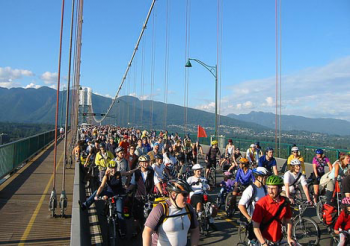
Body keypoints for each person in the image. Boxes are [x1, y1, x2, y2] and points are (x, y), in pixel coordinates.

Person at [79, 160, 132, 238]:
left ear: (116, 168)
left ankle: (123, 231)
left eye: (114, 168)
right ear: (108, 168)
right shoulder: (106, 176)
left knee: (120, 214)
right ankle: (85, 205)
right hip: (109, 193)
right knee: (97, 192)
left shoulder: (119, 174)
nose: (112, 170)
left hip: (119, 195)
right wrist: (97, 195)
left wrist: (136, 170)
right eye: (111, 168)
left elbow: (128, 173)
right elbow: (101, 186)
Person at [143, 179, 199, 246]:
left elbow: (195, 230)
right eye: (184, 194)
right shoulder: (161, 209)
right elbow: (147, 232)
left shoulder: (189, 209)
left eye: (188, 195)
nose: (187, 197)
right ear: (173, 195)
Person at [252, 175, 295, 246]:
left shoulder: (285, 202)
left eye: (273, 189)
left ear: (280, 189)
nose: (270, 191)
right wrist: (263, 243)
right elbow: (256, 227)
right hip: (264, 239)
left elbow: (288, 221)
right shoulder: (261, 204)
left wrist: (289, 237)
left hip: (278, 239)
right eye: (268, 188)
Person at [238, 167, 269, 245]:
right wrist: (249, 218)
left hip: (264, 220)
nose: (266, 179)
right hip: (254, 221)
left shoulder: (265, 188)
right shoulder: (250, 189)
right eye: (265, 177)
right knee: (255, 242)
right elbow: (240, 205)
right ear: (258, 177)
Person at [127, 155, 155, 236]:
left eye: (147, 162)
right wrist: (126, 191)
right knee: (136, 215)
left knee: (151, 214)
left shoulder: (151, 171)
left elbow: (154, 182)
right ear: (140, 163)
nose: (146, 164)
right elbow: (132, 184)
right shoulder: (136, 173)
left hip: (148, 197)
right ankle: (136, 229)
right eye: (144, 162)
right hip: (138, 196)